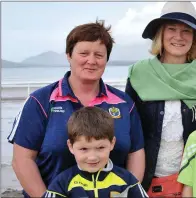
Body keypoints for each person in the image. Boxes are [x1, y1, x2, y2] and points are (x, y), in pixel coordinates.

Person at [7, 20, 145, 198]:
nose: (91, 61)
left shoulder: (124, 103)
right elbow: (22, 160)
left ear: (107, 59)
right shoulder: (40, 101)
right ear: (68, 55)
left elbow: (136, 153)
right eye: (84, 53)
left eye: (99, 55)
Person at [125, 1, 196, 192]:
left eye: (186, 31)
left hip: (193, 181)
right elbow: (128, 129)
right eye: (171, 29)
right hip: (146, 180)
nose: (178, 37)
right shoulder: (139, 73)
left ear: (194, 37)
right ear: (161, 34)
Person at [43, 107, 147, 198]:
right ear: (71, 146)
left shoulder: (128, 181)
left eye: (100, 147)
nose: (92, 157)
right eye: (84, 149)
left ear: (112, 143)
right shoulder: (61, 183)